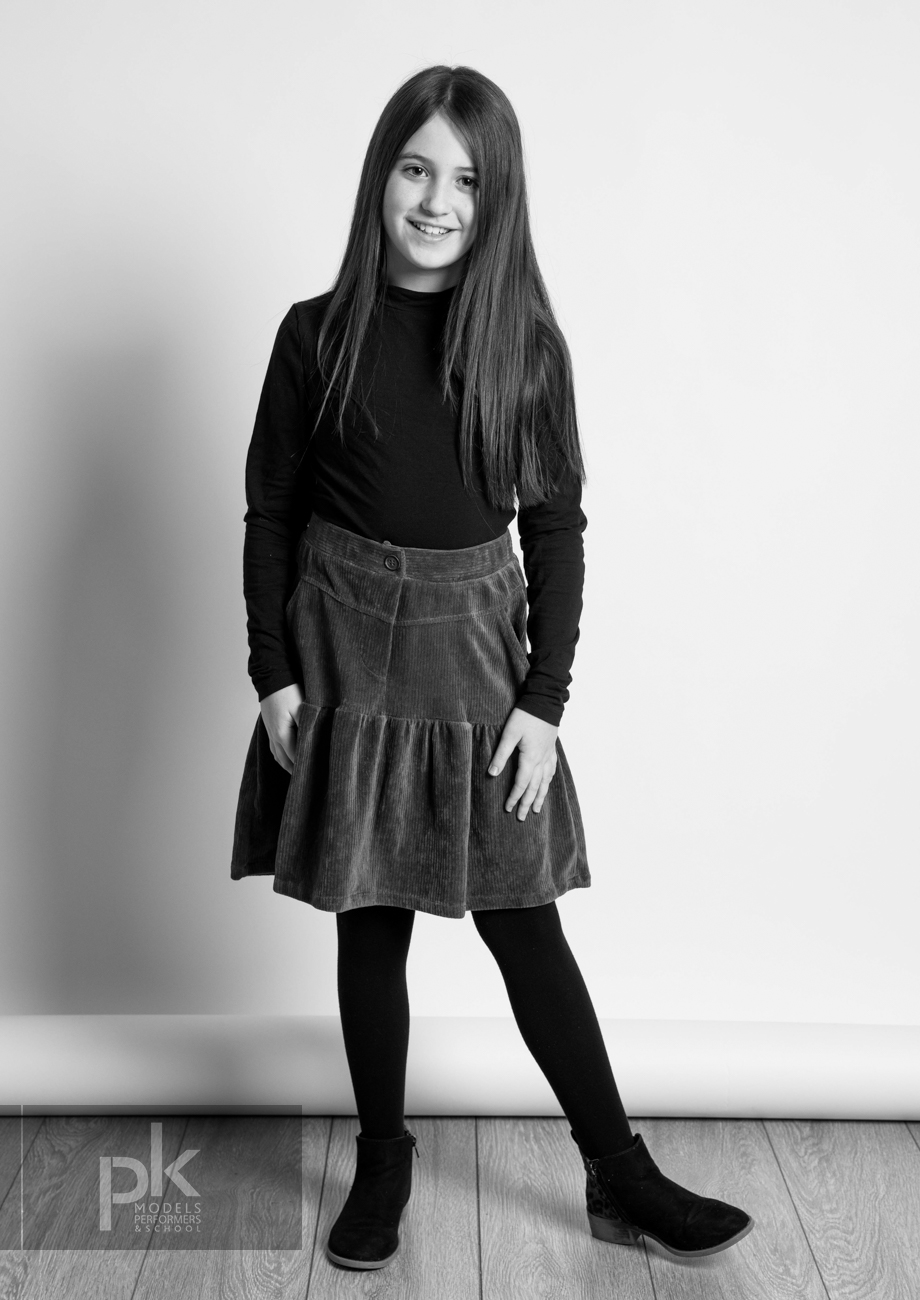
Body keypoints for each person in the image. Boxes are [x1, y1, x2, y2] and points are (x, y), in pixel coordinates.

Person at [231, 64, 754, 1271]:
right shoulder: (314, 335)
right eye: (415, 168)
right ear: (380, 176)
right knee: (370, 923)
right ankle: (381, 1156)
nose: (434, 200)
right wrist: (273, 672)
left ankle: (617, 1171)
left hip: (477, 663)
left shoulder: (525, 347)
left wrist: (542, 701)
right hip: (344, 654)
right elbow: (269, 512)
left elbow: (555, 527)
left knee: (524, 925)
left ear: (494, 198)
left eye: (464, 180)